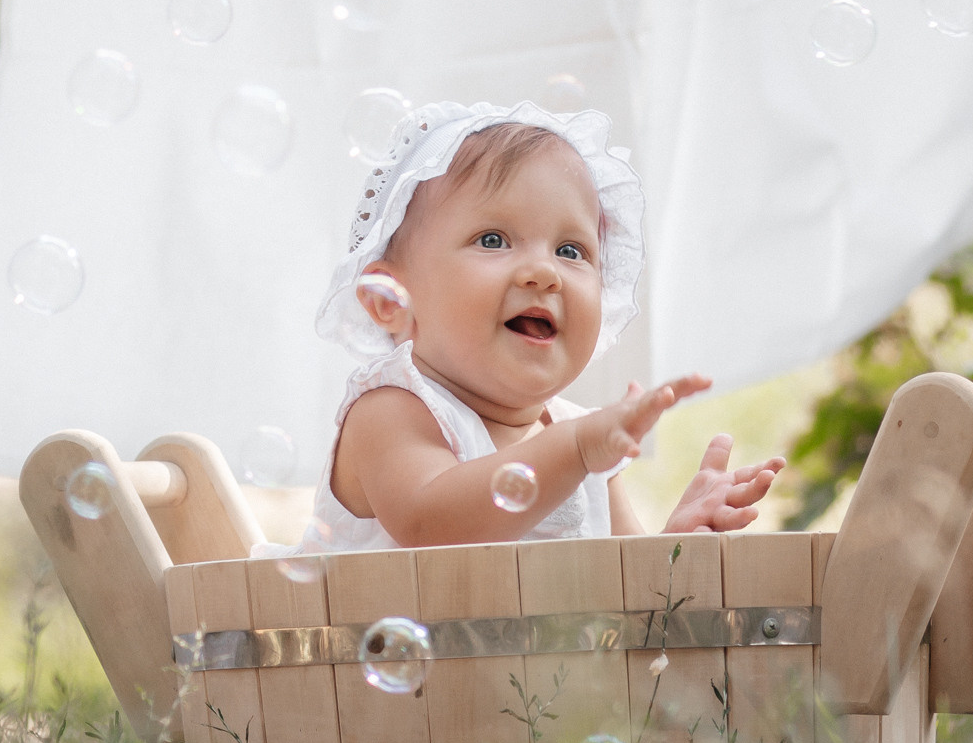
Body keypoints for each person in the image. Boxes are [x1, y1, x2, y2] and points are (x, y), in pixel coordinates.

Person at [295, 101, 782, 554]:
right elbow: (429, 526)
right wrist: (574, 449)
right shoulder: (391, 411)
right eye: (493, 239)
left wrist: (672, 544)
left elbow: (630, 595)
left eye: (570, 251)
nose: (543, 272)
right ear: (389, 301)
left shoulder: (583, 441)